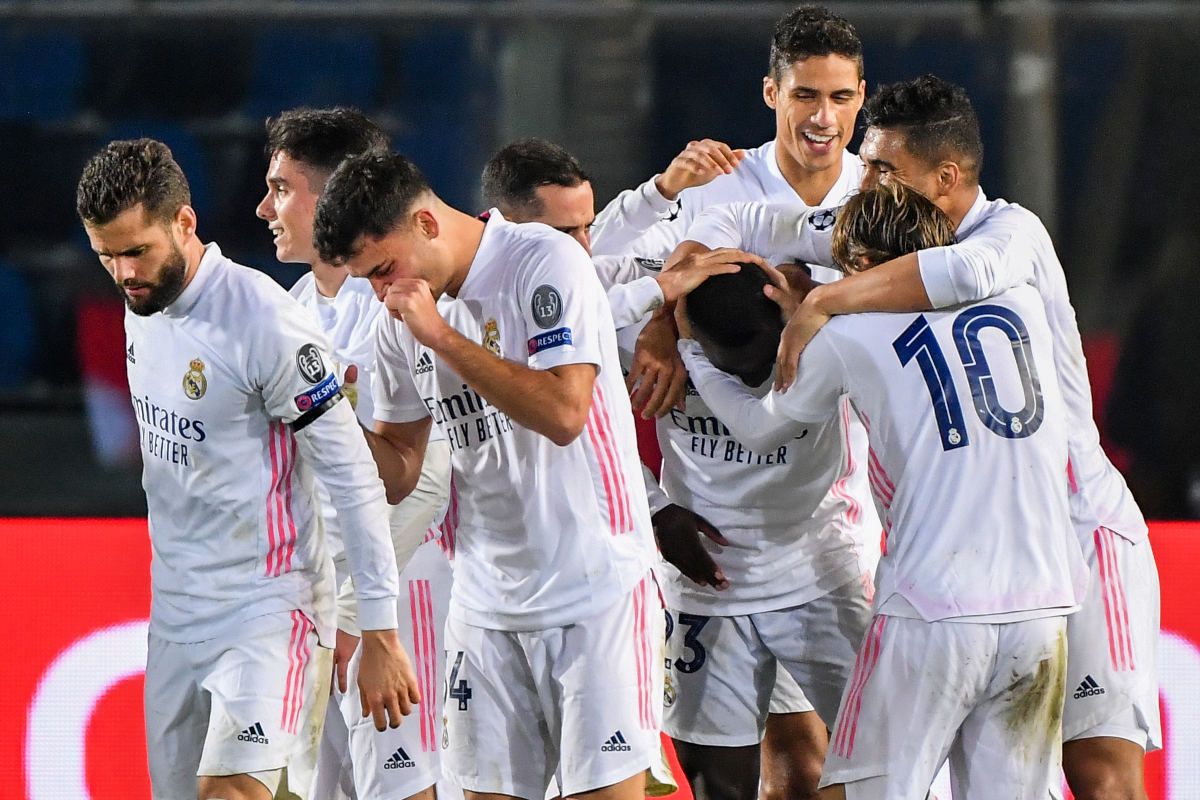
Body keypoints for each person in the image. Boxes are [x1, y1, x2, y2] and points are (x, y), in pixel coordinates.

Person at [773, 75, 1162, 800]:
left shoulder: (1009, 236)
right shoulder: (888, 241)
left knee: (1103, 776)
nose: (868, 183)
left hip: (1081, 530)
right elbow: (782, 228)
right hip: (988, 562)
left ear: (947, 177)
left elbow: (965, 273)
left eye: (885, 168)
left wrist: (826, 298)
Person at [480, 138, 865, 800]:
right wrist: (656, 506)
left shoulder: (818, 294)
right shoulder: (607, 302)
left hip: (817, 567)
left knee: (849, 768)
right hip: (704, 580)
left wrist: (693, 339)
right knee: (718, 783)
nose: (578, 247)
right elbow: (575, 421)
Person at [679, 180, 1088, 799]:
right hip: (1042, 604)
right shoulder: (1020, 298)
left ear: (864, 267)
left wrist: (693, 349)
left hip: (932, 609)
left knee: (866, 791)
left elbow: (760, 427)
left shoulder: (850, 337)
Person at [76, 138, 418, 800]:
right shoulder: (140, 300)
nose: (121, 273)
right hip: (175, 616)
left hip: (269, 611)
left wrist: (379, 627)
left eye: (136, 251)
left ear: (184, 223)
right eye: (106, 256)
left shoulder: (262, 319)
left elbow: (352, 472)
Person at [312, 150, 659, 800]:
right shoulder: (401, 321)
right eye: (367, 280)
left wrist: (442, 337)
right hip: (484, 606)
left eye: (384, 270)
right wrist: (322, 421)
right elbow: (399, 469)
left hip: (597, 592)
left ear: (426, 222)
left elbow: (563, 411)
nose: (381, 293)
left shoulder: (543, 261)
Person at [255, 107, 457, 800]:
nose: (264, 207)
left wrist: (357, 617)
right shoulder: (289, 312)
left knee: (403, 787)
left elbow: (429, 481)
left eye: (282, 187)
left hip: (397, 599)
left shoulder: (403, 306)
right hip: (324, 607)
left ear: (336, 187)